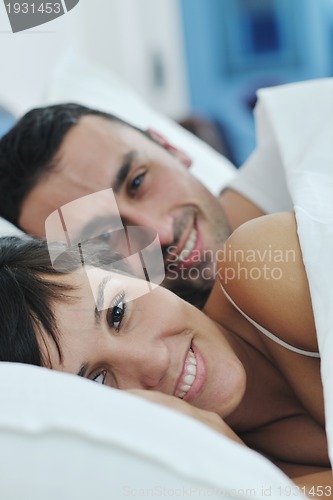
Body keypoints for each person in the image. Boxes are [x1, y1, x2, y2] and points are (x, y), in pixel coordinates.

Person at [0, 210, 330, 494]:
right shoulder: (189, 483)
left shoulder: (260, 261)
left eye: (118, 313)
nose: (154, 362)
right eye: (98, 381)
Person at [0, 103, 277, 307]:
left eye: (137, 182)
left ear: (170, 147)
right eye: (102, 236)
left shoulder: (306, 160)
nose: (161, 233)